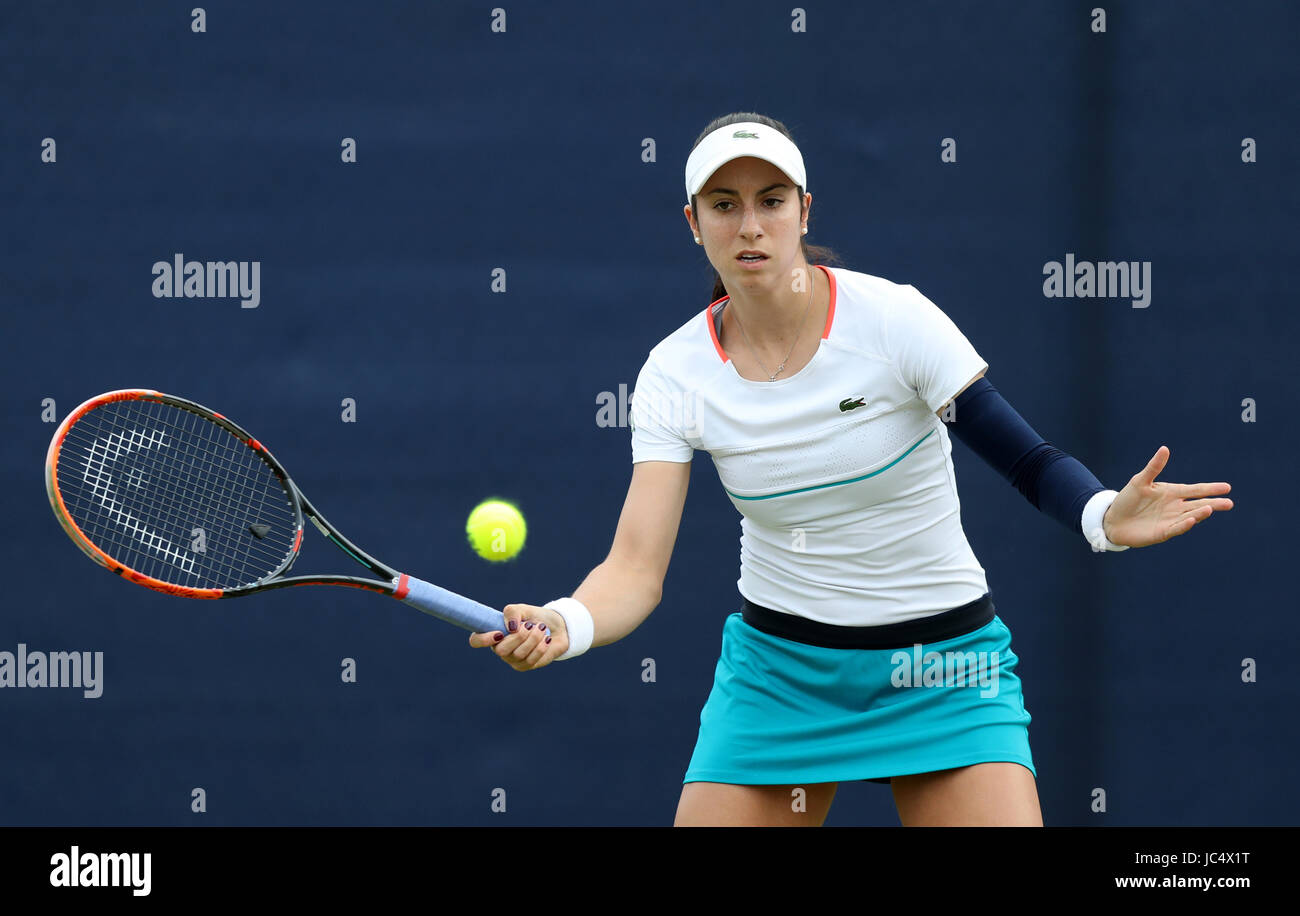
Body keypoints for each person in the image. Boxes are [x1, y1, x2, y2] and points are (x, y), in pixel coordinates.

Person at [467, 111, 1234, 826]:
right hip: (780, 678)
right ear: (694, 224)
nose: (751, 224)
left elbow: (1026, 459)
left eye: (771, 200)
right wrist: (563, 622)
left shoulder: (893, 321)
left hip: (945, 672)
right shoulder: (674, 375)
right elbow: (635, 570)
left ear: (805, 211)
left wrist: (1101, 516)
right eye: (724, 204)